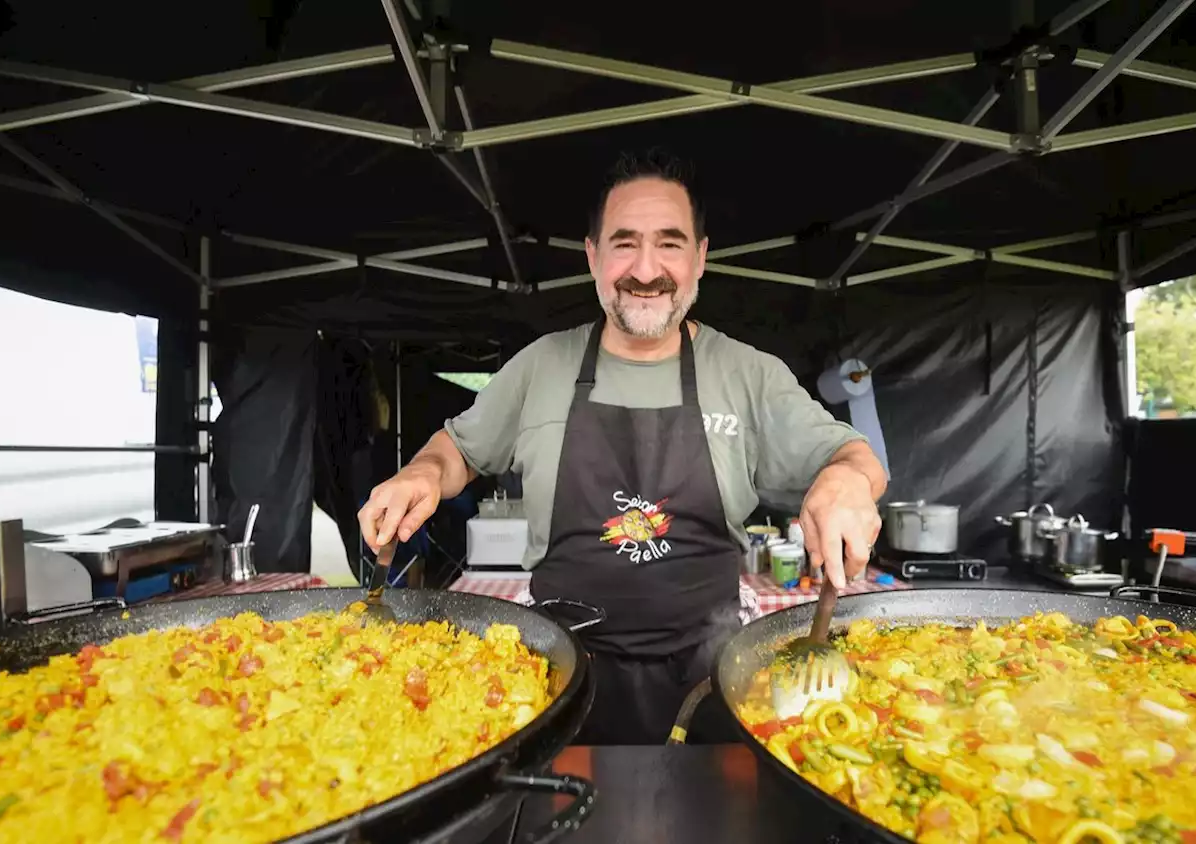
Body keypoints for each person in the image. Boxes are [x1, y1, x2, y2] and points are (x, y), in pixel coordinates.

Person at [357, 150, 888, 745]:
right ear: (592, 256)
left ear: (700, 257)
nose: (645, 268)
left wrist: (847, 478)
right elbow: (456, 450)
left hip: (709, 676)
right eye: (624, 243)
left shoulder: (749, 374)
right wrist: (424, 472)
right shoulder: (541, 366)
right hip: (557, 673)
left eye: (669, 243)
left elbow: (857, 459)